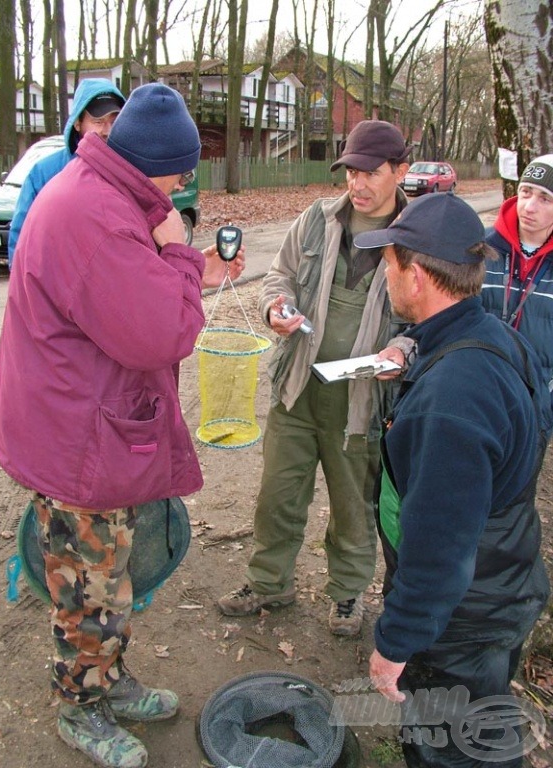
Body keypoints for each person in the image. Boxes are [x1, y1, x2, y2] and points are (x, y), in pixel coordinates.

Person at [0, 83, 241, 768]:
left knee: (109, 575)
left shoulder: (103, 193)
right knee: (88, 587)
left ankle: (109, 680)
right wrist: (182, 250)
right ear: (159, 162)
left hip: (81, 419)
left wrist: (165, 250)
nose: (184, 185)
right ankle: (80, 704)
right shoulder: (99, 217)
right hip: (76, 442)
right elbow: (165, 333)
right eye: (183, 172)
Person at [352, 193, 550, 767]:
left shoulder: (451, 401)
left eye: (389, 264)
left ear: (416, 276)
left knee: (454, 749)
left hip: (462, 616)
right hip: (503, 578)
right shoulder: (491, 336)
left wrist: (397, 643)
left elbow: (440, 549)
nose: (386, 276)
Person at [218, 120, 412, 636]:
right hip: (297, 389)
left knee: (353, 507)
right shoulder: (315, 221)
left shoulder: (416, 238)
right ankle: (268, 583)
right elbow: (278, 276)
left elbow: (433, 316)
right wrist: (274, 307)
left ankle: (347, 594)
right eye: (351, 171)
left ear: (401, 171)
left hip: (362, 402)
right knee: (278, 496)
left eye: (371, 173)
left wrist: (404, 348)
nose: (358, 184)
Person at [8, 78, 127, 269]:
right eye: (98, 121)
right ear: (78, 123)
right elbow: (22, 239)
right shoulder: (45, 173)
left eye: (114, 121)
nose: (107, 131)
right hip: (57, 285)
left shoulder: (128, 173)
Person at [482, 154, 553, 420]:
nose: (529, 207)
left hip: (535, 410)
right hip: (477, 396)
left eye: (545, 198)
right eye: (525, 192)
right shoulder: (481, 248)